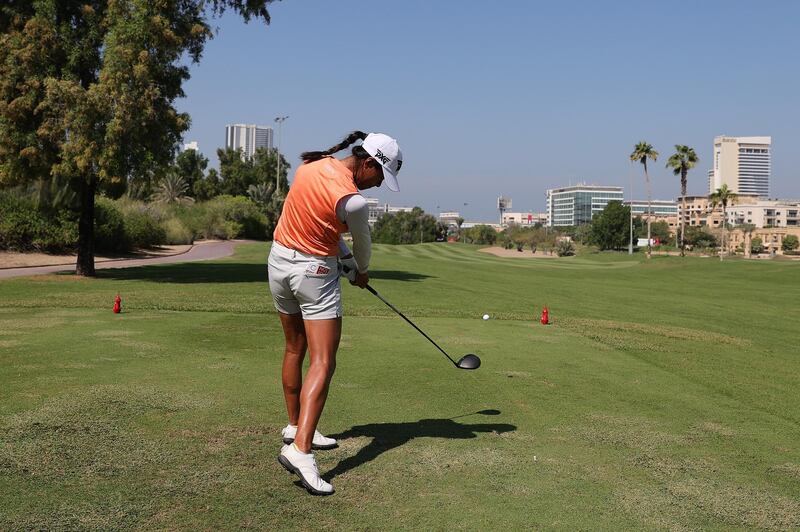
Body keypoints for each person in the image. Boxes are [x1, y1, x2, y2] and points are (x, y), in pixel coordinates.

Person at [268, 131, 403, 495]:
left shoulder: (311, 167)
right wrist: (358, 270)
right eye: (380, 176)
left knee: (295, 349)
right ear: (369, 163)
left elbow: (321, 225)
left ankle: (296, 426)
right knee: (324, 361)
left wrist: (342, 258)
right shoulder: (355, 201)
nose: (377, 185)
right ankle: (300, 450)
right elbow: (364, 246)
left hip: (279, 264)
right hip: (313, 276)